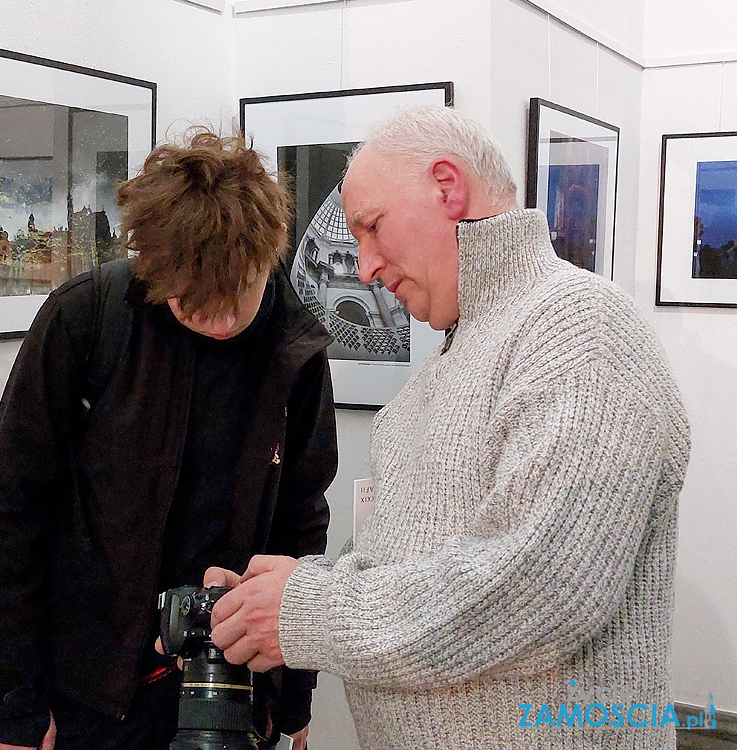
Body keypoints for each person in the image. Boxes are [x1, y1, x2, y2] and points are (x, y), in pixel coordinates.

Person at [206, 107, 691, 749]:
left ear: (447, 186)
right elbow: (401, 565)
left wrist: (305, 613)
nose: (366, 268)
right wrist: (287, 590)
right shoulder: (437, 376)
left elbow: (544, 588)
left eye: (372, 229)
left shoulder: (581, 332)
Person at [0, 130, 337, 750]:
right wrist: (15, 710)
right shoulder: (85, 319)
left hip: (235, 691)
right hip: (92, 695)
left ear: (269, 256)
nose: (219, 323)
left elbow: (302, 527)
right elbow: (9, 517)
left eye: (236, 298)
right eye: (193, 305)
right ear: (156, 271)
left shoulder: (294, 351)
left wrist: (293, 695)